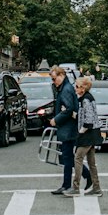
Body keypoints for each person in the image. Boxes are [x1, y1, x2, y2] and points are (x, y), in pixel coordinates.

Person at [49, 65, 81, 196]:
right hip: (68, 128)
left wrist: (56, 119)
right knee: (69, 158)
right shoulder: (65, 88)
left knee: (68, 158)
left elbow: (69, 109)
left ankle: (67, 184)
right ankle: (84, 178)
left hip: (68, 128)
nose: (53, 81)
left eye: (54, 78)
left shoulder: (66, 89)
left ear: (61, 76)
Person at [71, 76, 103, 197]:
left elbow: (88, 119)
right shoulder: (87, 98)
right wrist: (74, 114)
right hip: (93, 132)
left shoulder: (86, 100)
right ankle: (96, 187)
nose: (75, 88)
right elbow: (85, 115)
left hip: (88, 133)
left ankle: (75, 187)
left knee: (78, 158)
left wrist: (81, 130)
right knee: (91, 162)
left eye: (77, 86)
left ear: (83, 88)